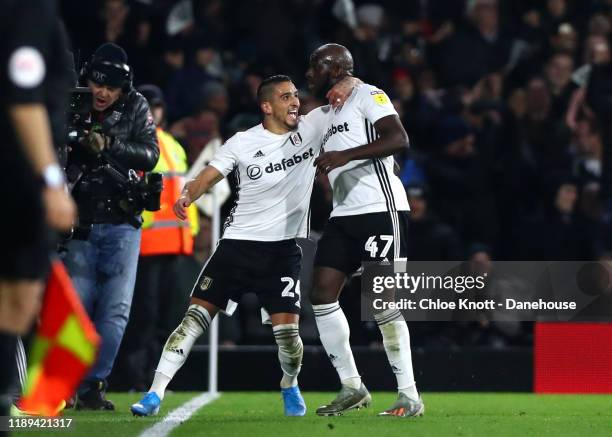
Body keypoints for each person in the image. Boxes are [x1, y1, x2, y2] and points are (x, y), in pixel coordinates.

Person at [131, 75, 331, 417]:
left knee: (289, 338)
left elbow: (346, 103)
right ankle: (154, 393)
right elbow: (210, 174)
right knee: (192, 321)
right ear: (266, 106)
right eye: (286, 97)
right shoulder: (242, 142)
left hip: (282, 252)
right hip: (236, 247)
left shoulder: (311, 131)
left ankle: (289, 384)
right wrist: (187, 194)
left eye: (296, 95)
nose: (295, 101)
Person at [306, 43, 424, 417]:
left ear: (338, 68)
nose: (309, 75)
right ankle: (352, 386)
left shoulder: (367, 94)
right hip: (343, 215)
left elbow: (398, 138)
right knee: (322, 294)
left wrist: (344, 155)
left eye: (316, 67)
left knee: (384, 303)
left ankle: (409, 395)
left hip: (380, 209)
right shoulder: (322, 114)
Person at [62, 42, 159, 410]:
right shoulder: (70, 103)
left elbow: (150, 155)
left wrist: (110, 144)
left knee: (115, 310)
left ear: (123, 88)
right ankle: (67, 384)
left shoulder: (136, 106)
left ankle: (93, 384)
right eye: (96, 84)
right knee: (76, 307)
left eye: (110, 87)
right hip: (78, 220)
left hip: (121, 221)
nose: (101, 93)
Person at [0, 0, 76, 420]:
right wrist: (51, 181)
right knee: (17, 302)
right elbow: (24, 98)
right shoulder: (29, 11)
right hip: (16, 177)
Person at [116, 84, 199, 391]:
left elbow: (185, 192)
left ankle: (157, 379)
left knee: (169, 316)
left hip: (176, 246)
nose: (155, 112)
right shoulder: (135, 144)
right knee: (144, 316)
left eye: (158, 106)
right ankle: (135, 378)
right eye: (150, 106)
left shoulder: (173, 146)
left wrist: (191, 232)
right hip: (147, 245)